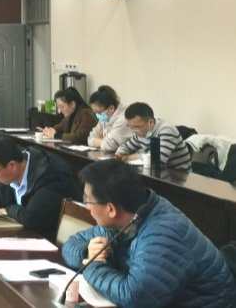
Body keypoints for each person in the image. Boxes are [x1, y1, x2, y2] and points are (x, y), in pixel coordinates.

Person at [62, 159, 236, 307]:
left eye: (88, 200)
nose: (86, 206)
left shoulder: (162, 234)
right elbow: (71, 243)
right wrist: (86, 252)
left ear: (111, 209)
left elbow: (135, 298)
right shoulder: (126, 217)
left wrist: (91, 265)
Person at [0, 132, 80, 240]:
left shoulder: (51, 176)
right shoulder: (11, 168)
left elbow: (31, 219)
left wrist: (8, 210)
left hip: (52, 243)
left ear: (12, 166)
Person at [115, 102, 192, 170]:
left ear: (151, 122)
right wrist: (120, 153)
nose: (133, 131)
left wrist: (128, 157)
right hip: (156, 173)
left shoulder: (166, 129)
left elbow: (157, 160)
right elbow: (126, 146)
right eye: (130, 127)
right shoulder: (139, 132)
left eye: (136, 127)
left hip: (178, 176)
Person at [87, 85, 132, 152]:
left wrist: (100, 141)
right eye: (95, 112)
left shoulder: (124, 119)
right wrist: (104, 141)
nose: (97, 115)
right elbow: (90, 139)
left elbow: (110, 145)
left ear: (111, 108)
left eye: (99, 112)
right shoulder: (105, 117)